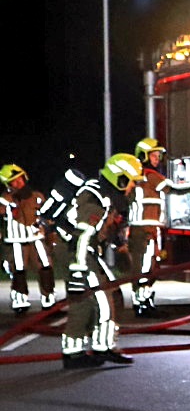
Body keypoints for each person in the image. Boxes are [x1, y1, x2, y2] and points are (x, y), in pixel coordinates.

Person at [54, 154, 141, 369]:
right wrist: (78, 271)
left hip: (86, 250)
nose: (133, 186)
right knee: (101, 298)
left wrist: (119, 244)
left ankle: (73, 353)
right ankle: (103, 347)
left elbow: (106, 230)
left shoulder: (109, 197)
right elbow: (82, 235)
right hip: (77, 252)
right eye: (132, 181)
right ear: (120, 178)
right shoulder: (96, 198)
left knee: (86, 300)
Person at [126, 137, 190, 315]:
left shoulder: (141, 176)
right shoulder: (149, 175)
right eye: (154, 155)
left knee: (150, 266)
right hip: (145, 229)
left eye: (158, 156)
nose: (157, 159)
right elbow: (172, 188)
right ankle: (142, 303)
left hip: (148, 229)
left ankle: (144, 299)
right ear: (144, 156)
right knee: (145, 267)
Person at [1, 164, 56, 314]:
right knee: (19, 269)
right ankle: (19, 298)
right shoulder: (5, 199)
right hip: (16, 240)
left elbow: (47, 216)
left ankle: (48, 296)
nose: (18, 183)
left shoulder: (37, 196)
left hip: (37, 237)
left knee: (45, 266)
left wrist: (51, 236)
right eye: (14, 181)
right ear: (8, 184)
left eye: (19, 179)